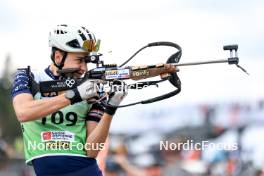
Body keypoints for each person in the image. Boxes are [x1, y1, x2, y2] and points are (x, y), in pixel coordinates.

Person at [11, 24, 127, 176]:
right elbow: (23, 112)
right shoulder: (28, 77)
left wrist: (110, 109)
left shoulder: (92, 88)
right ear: (58, 57)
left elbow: (92, 151)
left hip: (85, 169)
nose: (84, 68)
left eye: (86, 61)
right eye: (79, 60)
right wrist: (75, 95)